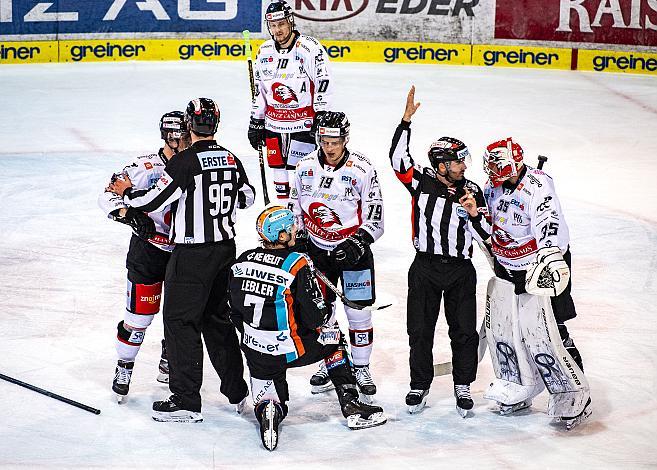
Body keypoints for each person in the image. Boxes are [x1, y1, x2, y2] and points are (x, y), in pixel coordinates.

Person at [109, 98, 254, 422]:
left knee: (179, 322)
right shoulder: (230, 158)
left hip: (191, 254)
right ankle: (238, 393)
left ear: (190, 125)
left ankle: (187, 401)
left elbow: (153, 199)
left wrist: (127, 192)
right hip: (225, 250)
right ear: (216, 124)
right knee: (217, 322)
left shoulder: (186, 161)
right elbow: (247, 197)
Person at [228, 206, 386, 451]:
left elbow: (235, 311)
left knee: (268, 388)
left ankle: (269, 408)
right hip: (292, 348)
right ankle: (350, 404)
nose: (297, 231)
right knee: (334, 337)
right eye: (292, 228)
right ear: (282, 236)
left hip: (256, 350)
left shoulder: (243, 260)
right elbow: (316, 319)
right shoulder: (297, 263)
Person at [388, 86, 491, 416]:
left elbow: (487, 235)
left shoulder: (473, 190)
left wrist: (475, 214)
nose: (464, 166)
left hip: (460, 271)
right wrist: (405, 122)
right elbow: (397, 160)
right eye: (458, 162)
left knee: (463, 332)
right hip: (425, 268)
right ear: (441, 164)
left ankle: (463, 385)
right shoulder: (420, 182)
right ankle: (419, 384)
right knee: (419, 331)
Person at [482, 137, 592, 429]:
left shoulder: (538, 186)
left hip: (541, 268)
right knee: (511, 329)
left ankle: (573, 389)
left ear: (514, 164)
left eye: (498, 164)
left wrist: (549, 258)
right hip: (508, 268)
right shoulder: (492, 187)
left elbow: (550, 224)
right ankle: (519, 382)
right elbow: (486, 224)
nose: (492, 170)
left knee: (550, 329)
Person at [290, 111, 384, 402]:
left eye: (335, 141)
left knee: (358, 311)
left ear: (345, 139)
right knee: (321, 312)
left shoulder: (363, 170)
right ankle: (327, 359)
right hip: (317, 252)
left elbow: (376, 216)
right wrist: (299, 235)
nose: (329, 147)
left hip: (353, 253)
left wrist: (359, 242)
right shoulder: (304, 166)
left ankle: (361, 367)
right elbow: (296, 206)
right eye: (324, 140)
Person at [98, 110, 187, 402]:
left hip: (184, 252)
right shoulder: (143, 166)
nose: (183, 141)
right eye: (177, 137)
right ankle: (124, 365)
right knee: (138, 318)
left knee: (180, 317)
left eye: (186, 135)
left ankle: (168, 357)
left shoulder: (195, 164)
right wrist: (128, 214)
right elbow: (107, 194)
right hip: (148, 251)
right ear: (166, 137)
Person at [248, 0, 333, 206]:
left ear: (290, 22)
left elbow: (323, 82)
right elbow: (260, 90)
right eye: (273, 26)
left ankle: (300, 220)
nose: (277, 30)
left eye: (281, 24)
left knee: (300, 175)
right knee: (278, 172)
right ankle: (283, 219)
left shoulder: (310, 48)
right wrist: (255, 120)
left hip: (303, 124)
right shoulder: (264, 51)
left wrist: (320, 115)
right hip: (273, 125)